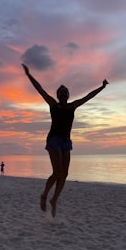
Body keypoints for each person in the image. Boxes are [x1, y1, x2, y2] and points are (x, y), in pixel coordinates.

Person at [22, 63, 108, 217]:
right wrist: (29, 75)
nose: (64, 93)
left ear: (68, 95)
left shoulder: (72, 106)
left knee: (65, 174)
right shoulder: (53, 105)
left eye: (66, 91)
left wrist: (102, 87)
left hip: (66, 142)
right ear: (58, 95)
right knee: (57, 172)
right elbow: (40, 89)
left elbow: (89, 96)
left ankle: (54, 200)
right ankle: (44, 195)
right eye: (61, 92)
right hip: (54, 140)